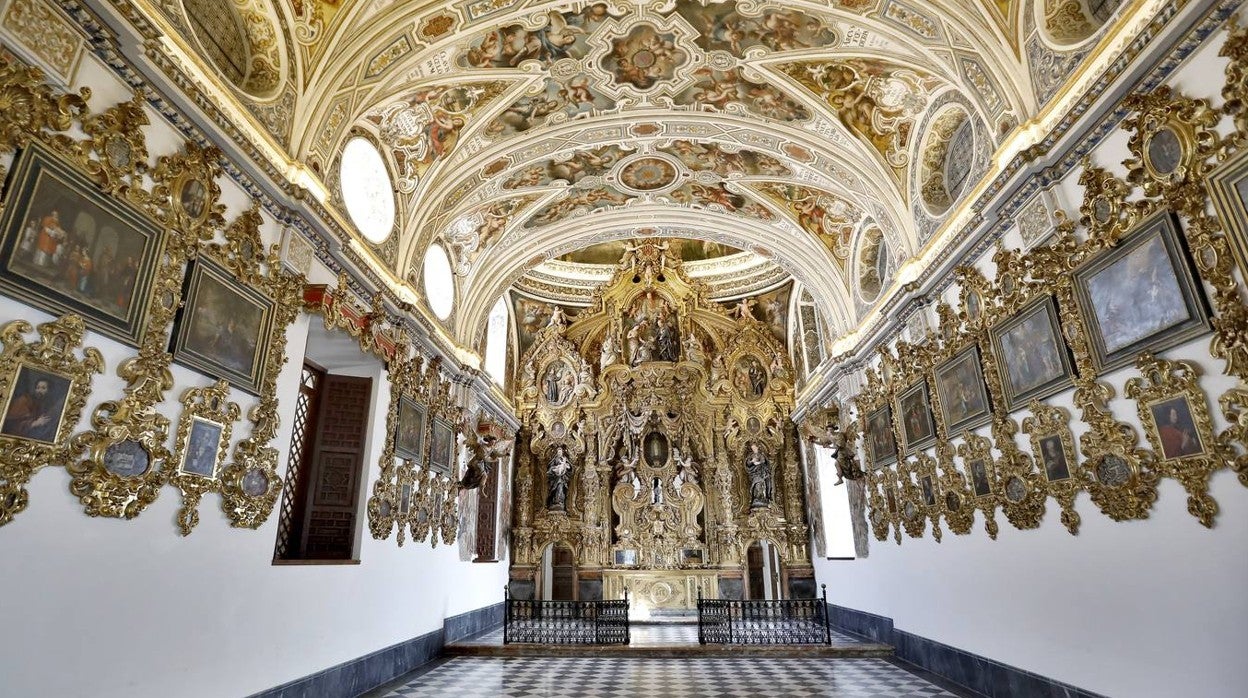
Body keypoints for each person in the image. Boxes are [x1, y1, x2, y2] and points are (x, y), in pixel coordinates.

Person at [2, 376, 60, 442]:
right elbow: (12, 422)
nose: (39, 391)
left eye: (43, 388)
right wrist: (34, 423)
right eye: (37, 388)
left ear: (49, 391)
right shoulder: (24, 400)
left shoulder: (46, 403)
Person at [744, 442, 772, 508]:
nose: (753, 449)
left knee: (761, 485)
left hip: (761, 473)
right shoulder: (751, 455)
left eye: (754, 448)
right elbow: (748, 463)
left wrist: (758, 463)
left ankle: (762, 498)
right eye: (752, 448)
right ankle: (756, 498)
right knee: (756, 484)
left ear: (757, 447)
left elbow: (764, 461)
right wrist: (752, 462)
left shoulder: (761, 455)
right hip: (754, 473)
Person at [546, 445, 572, 510]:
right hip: (555, 478)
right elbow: (550, 469)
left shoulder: (565, 459)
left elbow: (570, 468)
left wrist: (565, 468)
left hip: (562, 478)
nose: (559, 453)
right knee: (555, 489)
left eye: (560, 452)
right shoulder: (554, 459)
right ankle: (555, 501)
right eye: (558, 452)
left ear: (562, 452)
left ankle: (560, 501)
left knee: (561, 486)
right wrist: (555, 469)